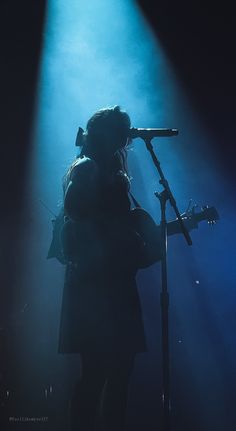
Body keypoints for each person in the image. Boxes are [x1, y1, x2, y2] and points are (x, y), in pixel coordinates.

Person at [57, 106, 174, 431]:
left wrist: (135, 238)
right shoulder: (86, 168)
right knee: (95, 373)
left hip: (114, 285)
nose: (127, 139)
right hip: (95, 288)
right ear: (107, 134)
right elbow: (75, 215)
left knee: (121, 373)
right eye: (123, 131)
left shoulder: (108, 170)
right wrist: (121, 234)